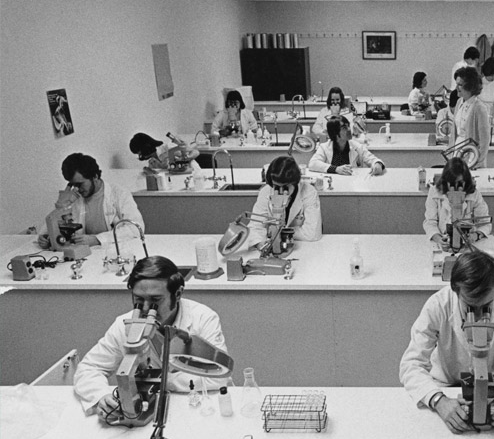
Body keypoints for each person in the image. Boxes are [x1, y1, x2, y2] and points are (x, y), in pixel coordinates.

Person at [399, 251, 494, 434]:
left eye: (486, 307)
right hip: (447, 387)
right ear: (456, 291)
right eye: (470, 307)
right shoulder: (438, 305)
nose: (479, 317)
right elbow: (411, 364)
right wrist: (439, 401)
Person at [73, 256, 228, 419]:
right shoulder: (123, 324)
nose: (146, 309)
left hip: (198, 408)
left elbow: (218, 377)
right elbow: (89, 368)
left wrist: (159, 381)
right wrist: (101, 396)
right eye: (139, 300)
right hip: (148, 410)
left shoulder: (203, 318)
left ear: (178, 293)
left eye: (155, 300)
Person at [37, 153, 145, 249]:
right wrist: (60, 207)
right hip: (84, 253)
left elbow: (136, 228)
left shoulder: (119, 194)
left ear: (95, 176)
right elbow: (46, 231)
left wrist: (97, 239)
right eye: (73, 185)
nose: (77, 189)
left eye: (80, 184)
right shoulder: (74, 197)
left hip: (114, 250)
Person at [247, 156, 323, 248]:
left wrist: (277, 232)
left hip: (304, 247)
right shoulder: (266, 192)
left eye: (285, 187)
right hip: (272, 245)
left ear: (295, 182)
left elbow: (312, 233)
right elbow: (255, 226)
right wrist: (260, 244)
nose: (280, 191)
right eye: (276, 186)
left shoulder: (309, 192)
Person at [423, 157, 491, 251]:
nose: (455, 188)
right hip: (441, 245)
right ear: (445, 181)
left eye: (460, 184)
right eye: (451, 183)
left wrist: (475, 236)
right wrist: (438, 239)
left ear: (466, 181)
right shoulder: (435, 192)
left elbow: (485, 224)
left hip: (468, 246)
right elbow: (430, 222)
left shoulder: (474, 195)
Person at [308, 115, 385, 176]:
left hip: (352, 183)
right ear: (335, 133)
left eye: (348, 125)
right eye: (344, 128)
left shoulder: (356, 146)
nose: (349, 129)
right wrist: (336, 169)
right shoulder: (324, 147)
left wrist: (377, 164)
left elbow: (372, 159)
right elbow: (313, 163)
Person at [452, 66, 490, 170]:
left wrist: (477, 162)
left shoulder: (480, 108)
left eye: (460, 85)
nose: (456, 88)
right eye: (456, 84)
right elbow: (455, 132)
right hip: (458, 150)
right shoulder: (459, 102)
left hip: (472, 156)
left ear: (470, 86)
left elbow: (485, 141)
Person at [129, 132, 201, 173]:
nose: (141, 156)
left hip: (194, 173)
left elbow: (195, 152)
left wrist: (187, 158)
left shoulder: (167, 147)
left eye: (139, 153)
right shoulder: (152, 162)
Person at [478, 57, 494, 130]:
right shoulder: (478, 83)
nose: (493, 77)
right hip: (478, 116)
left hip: (490, 118)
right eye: (491, 75)